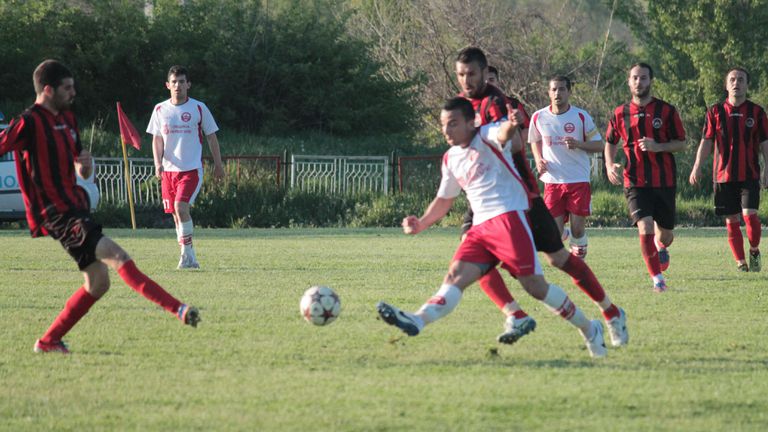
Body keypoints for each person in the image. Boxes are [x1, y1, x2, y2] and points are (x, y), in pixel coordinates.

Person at [376, 97, 608, 358]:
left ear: (470, 123)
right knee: (455, 277)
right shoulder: (451, 157)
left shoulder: (485, 136)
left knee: (535, 287)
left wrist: (511, 124)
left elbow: (502, 133)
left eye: (453, 123)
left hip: (509, 219)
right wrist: (421, 223)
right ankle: (417, 319)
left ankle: (590, 329)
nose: (446, 130)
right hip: (480, 229)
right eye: (443, 125)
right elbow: (444, 200)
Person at [0, 60, 200, 354]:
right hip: (57, 214)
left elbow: (80, 167)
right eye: (67, 88)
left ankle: (49, 341)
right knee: (118, 256)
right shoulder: (27, 123)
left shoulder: (68, 120)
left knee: (98, 283)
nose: (73, 93)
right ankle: (179, 309)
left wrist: (85, 165)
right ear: (48, 90)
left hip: (75, 208)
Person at [455, 47, 627, 347]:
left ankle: (611, 312)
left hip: (522, 198)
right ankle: (514, 313)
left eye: (478, 76)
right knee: (472, 256)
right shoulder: (462, 108)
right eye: (462, 75)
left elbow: (516, 144)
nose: (469, 81)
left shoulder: (506, 106)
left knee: (558, 258)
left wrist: (500, 133)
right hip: (485, 201)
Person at [605, 62, 687, 292]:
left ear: (651, 81)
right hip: (635, 181)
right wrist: (610, 165)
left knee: (666, 235)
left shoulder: (667, 111)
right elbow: (610, 142)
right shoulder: (620, 113)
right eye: (635, 78)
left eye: (643, 78)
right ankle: (657, 280)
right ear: (629, 82)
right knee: (645, 225)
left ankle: (661, 246)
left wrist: (657, 146)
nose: (638, 82)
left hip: (664, 181)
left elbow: (682, 144)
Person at [689, 67, 768, 272]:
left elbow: (764, 143)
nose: (736, 83)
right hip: (723, 176)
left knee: (750, 215)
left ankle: (754, 249)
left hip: (749, 174)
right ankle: (741, 262)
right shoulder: (715, 112)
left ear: (747, 85)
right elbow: (706, 141)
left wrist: (767, 168)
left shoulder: (757, 112)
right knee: (731, 220)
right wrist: (697, 166)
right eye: (732, 79)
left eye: (741, 79)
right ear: (726, 85)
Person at [147, 65, 225, 269]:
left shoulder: (199, 108)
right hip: (168, 172)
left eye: (182, 81)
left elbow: (212, 137)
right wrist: (157, 163)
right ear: (167, 85)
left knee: (181, 207)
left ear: (188, 84)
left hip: (191, 170)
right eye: (174, 82)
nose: (178, 86)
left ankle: (186, 256)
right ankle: (188, 256)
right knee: (175, 215)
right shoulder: (160, 109)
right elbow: (157, 139)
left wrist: (218, 165)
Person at [529, 75, 604, 258]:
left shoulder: (580, 116)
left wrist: (579, 144)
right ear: (549, 92)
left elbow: (599, 145)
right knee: (554, 233)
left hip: (578, 179)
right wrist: (538, 159)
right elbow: (535, 140)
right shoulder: (539, 116)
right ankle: (566, 235)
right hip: (552, 180)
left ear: (569, 92)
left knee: (578, 230)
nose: (557, 93)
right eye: (554, 89)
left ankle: (579, 256)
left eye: (562, 89)